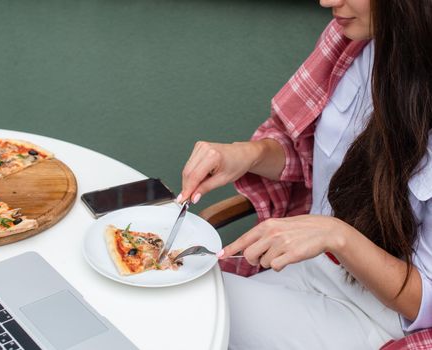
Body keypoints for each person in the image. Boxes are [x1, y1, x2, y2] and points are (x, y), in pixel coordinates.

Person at [177, 0, 432, 349]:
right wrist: (247, 154)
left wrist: (337, 236)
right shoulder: (348, 44)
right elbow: (307, 155)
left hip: (377, 320)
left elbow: (424, 303)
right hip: (304, 271)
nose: (327, 1)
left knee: (181, 306)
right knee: (171, 298)